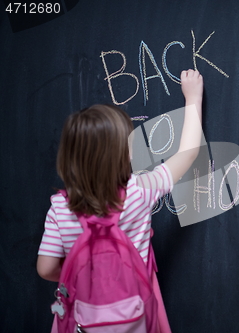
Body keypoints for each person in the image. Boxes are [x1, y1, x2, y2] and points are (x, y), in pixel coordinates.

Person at [37, 69, 204, 332]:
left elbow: (46, 268)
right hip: (134, 310)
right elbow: (188, 153)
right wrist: (193, 98)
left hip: (84, 314)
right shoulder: (140, 190)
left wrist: (86, 277)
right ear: (124, 154)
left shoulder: (60, 207)